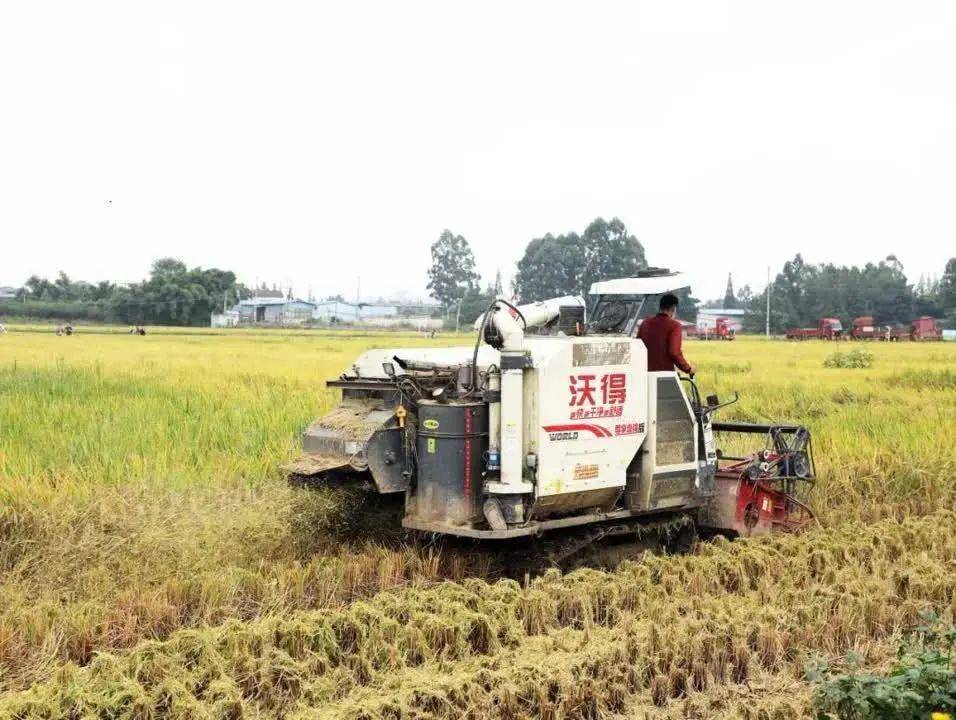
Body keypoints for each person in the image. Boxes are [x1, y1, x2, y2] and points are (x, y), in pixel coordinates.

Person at [636, 293, 695, 375]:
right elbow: (674, 352)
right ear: (673, 308)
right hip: (664, 376)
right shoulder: (675, 325)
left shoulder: (645, 323)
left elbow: (637, 347)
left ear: (660, 307)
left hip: (643, 374)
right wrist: (688, 368)